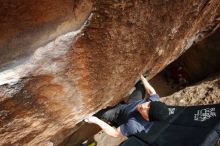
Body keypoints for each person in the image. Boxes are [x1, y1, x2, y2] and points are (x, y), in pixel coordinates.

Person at [85, 75, 169, 138]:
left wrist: (95, 120)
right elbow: (151, 92)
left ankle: (101, 117)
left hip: (119, 114)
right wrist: (142, 77)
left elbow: (115, 133)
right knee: (141, 85)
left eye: (147, 111)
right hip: (134, 102)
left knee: (98, 114)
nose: (144, 107)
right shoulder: (154, 102)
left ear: (148, 119)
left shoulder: (135, 126)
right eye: (149, 105)